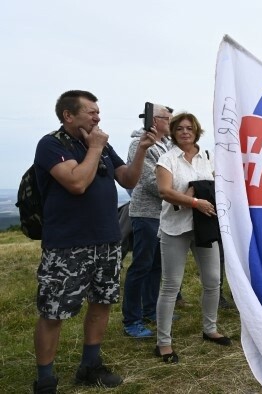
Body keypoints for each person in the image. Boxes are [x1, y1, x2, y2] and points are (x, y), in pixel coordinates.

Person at [32, 90, 157, 391]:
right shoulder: (51, 144)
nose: (97, 117)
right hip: (67, 244)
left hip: (107, 240)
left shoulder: (99, 145)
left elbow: (128, 179)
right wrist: (95, 148)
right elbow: (76, 182)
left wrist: (141, 149)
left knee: (101, 303)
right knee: (53, 312)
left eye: (98, 111)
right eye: (90, 111)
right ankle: (45, 380)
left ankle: (90, 365)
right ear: (68, 115)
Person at [154, 112, 231, 363]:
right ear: (174, 133)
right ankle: (163, 343)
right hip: (175, 228)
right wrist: (195, 201)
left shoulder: (208, 158)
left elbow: (220, 186)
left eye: (189, 128)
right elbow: (164, 192)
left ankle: (210, 329)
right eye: (180, 129)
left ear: (196, 131)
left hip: (205, 227)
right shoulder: (167, 159)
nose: (185, 132)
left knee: (212, 281)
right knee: (170, 285)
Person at [122, 103, 172, 338]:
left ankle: (150, 310)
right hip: (146, 213)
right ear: (155, 121)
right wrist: (180, 192)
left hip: (163, 214)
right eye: (167, 118)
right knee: (142, 266)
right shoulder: (138, 145)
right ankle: (132, 319)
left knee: (157, 266)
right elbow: (151, 181)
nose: (171, 123)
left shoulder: (167, 145)